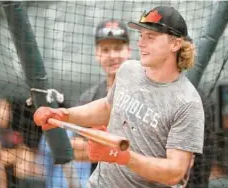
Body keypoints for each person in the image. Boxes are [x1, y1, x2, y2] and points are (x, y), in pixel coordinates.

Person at [33, 6, 205, 188]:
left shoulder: (188, 103)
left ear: (175, 44)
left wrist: (123, 156)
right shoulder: (129, 70)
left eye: (150, 37)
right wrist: (65, 114)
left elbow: (174, 173)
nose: (141, 43)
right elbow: (108, 107)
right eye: (141, 36)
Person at [71, 18, 131, 174]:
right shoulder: (89, 97)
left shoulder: (145, 91)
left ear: (128, 51)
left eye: (118, 49)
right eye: (105, 50)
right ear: (97, 54)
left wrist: (100, 145)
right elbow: (75, 151)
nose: (112, 56)